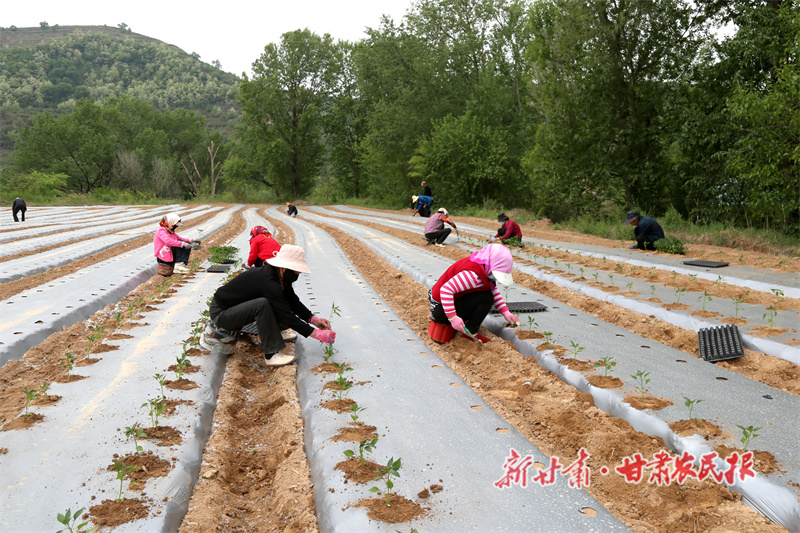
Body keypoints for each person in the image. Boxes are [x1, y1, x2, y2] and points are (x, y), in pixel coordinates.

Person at [199, 244, 336, 366]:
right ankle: (271, 355)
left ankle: (275, 333)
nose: (298, 273)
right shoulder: (269, 281)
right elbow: (286, 315)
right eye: (296, 270)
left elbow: (293, 301)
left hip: (236, 310)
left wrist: (312, 319)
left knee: (278, 302)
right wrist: (315, 334)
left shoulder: (278, 276)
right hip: (222, 314)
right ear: (284, 267)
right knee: (263, 305)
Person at [428, 243, 520, 344]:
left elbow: (494, 291)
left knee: (488, 294)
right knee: (487, 297)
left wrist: (505, 312)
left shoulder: (484, 267)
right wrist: (453, 317)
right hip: (440, 308)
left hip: (448, 303)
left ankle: (469, 328)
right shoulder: (472, 276)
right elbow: (446, 290)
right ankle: (471, 331)